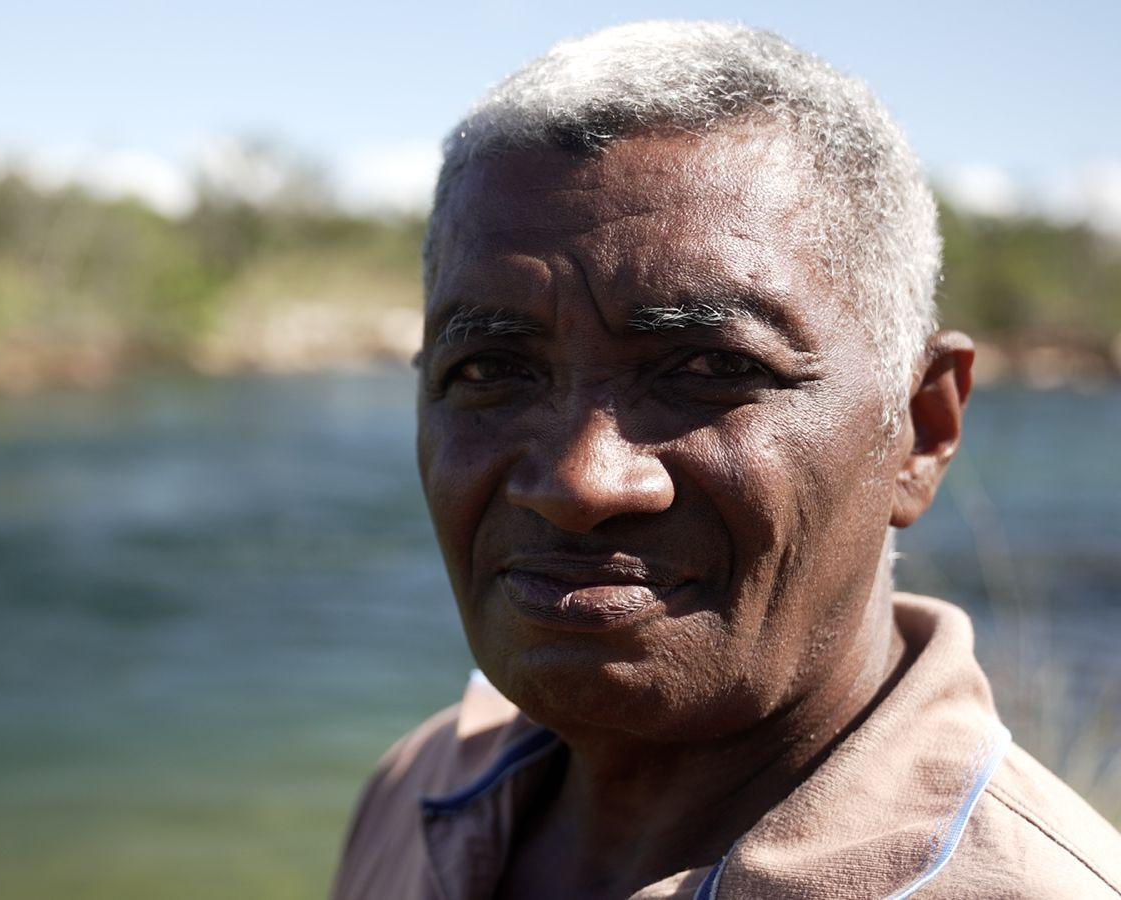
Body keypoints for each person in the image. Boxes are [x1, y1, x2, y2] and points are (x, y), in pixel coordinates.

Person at [331, 21, 1121, 900]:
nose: (580, 481)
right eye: (487, 370)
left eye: (713, 368)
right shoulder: (424, 791)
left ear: (922, 429)